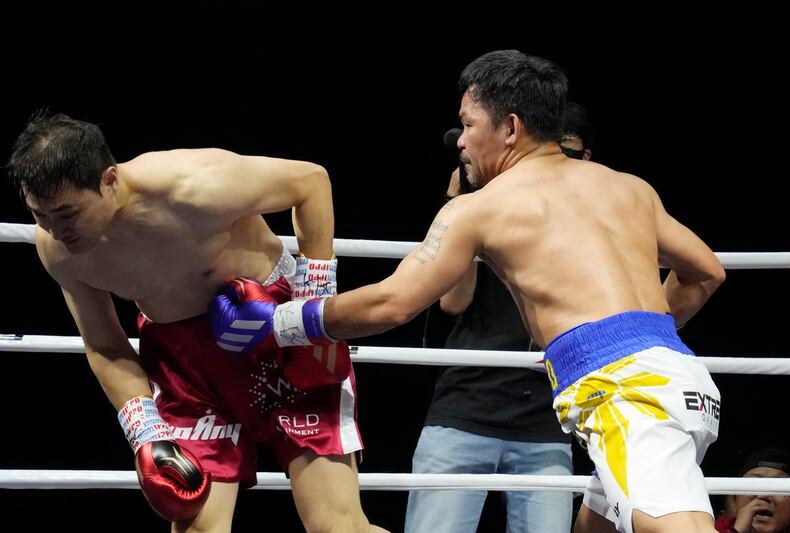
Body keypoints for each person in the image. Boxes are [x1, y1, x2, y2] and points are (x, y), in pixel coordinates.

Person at [212, 49, 727, 533]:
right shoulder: (629, 187)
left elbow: (394, 301)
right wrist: (644, 340)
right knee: (594, 525)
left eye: (468, 124)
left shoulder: (482, 206)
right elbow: (706, 272)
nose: (460, 140)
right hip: (678, 378)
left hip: (624, 395)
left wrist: (279, 322)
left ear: (509, 128)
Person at [7, 111, 388, 533]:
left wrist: (311, 307)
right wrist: (146, 430)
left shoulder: (196, 185)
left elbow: (311, 182)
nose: (57, 231)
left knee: (337, 527)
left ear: (109, 181)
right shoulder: (57, 251)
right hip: (185, 368)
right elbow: (105, 346)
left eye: (67, 213)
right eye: (40, 216)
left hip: (273, 334)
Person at [403, 126, 582, 533]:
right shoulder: (482, 211)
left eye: (566, 156)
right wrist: (462, 203)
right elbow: (452, 301)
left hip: (545, 421)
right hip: (465, 408)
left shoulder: (588, 226)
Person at [715, 448, 790, 533]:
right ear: (735, 501)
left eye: (779, 487)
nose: (763, 496)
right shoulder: (711, 528)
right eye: (753, 485)